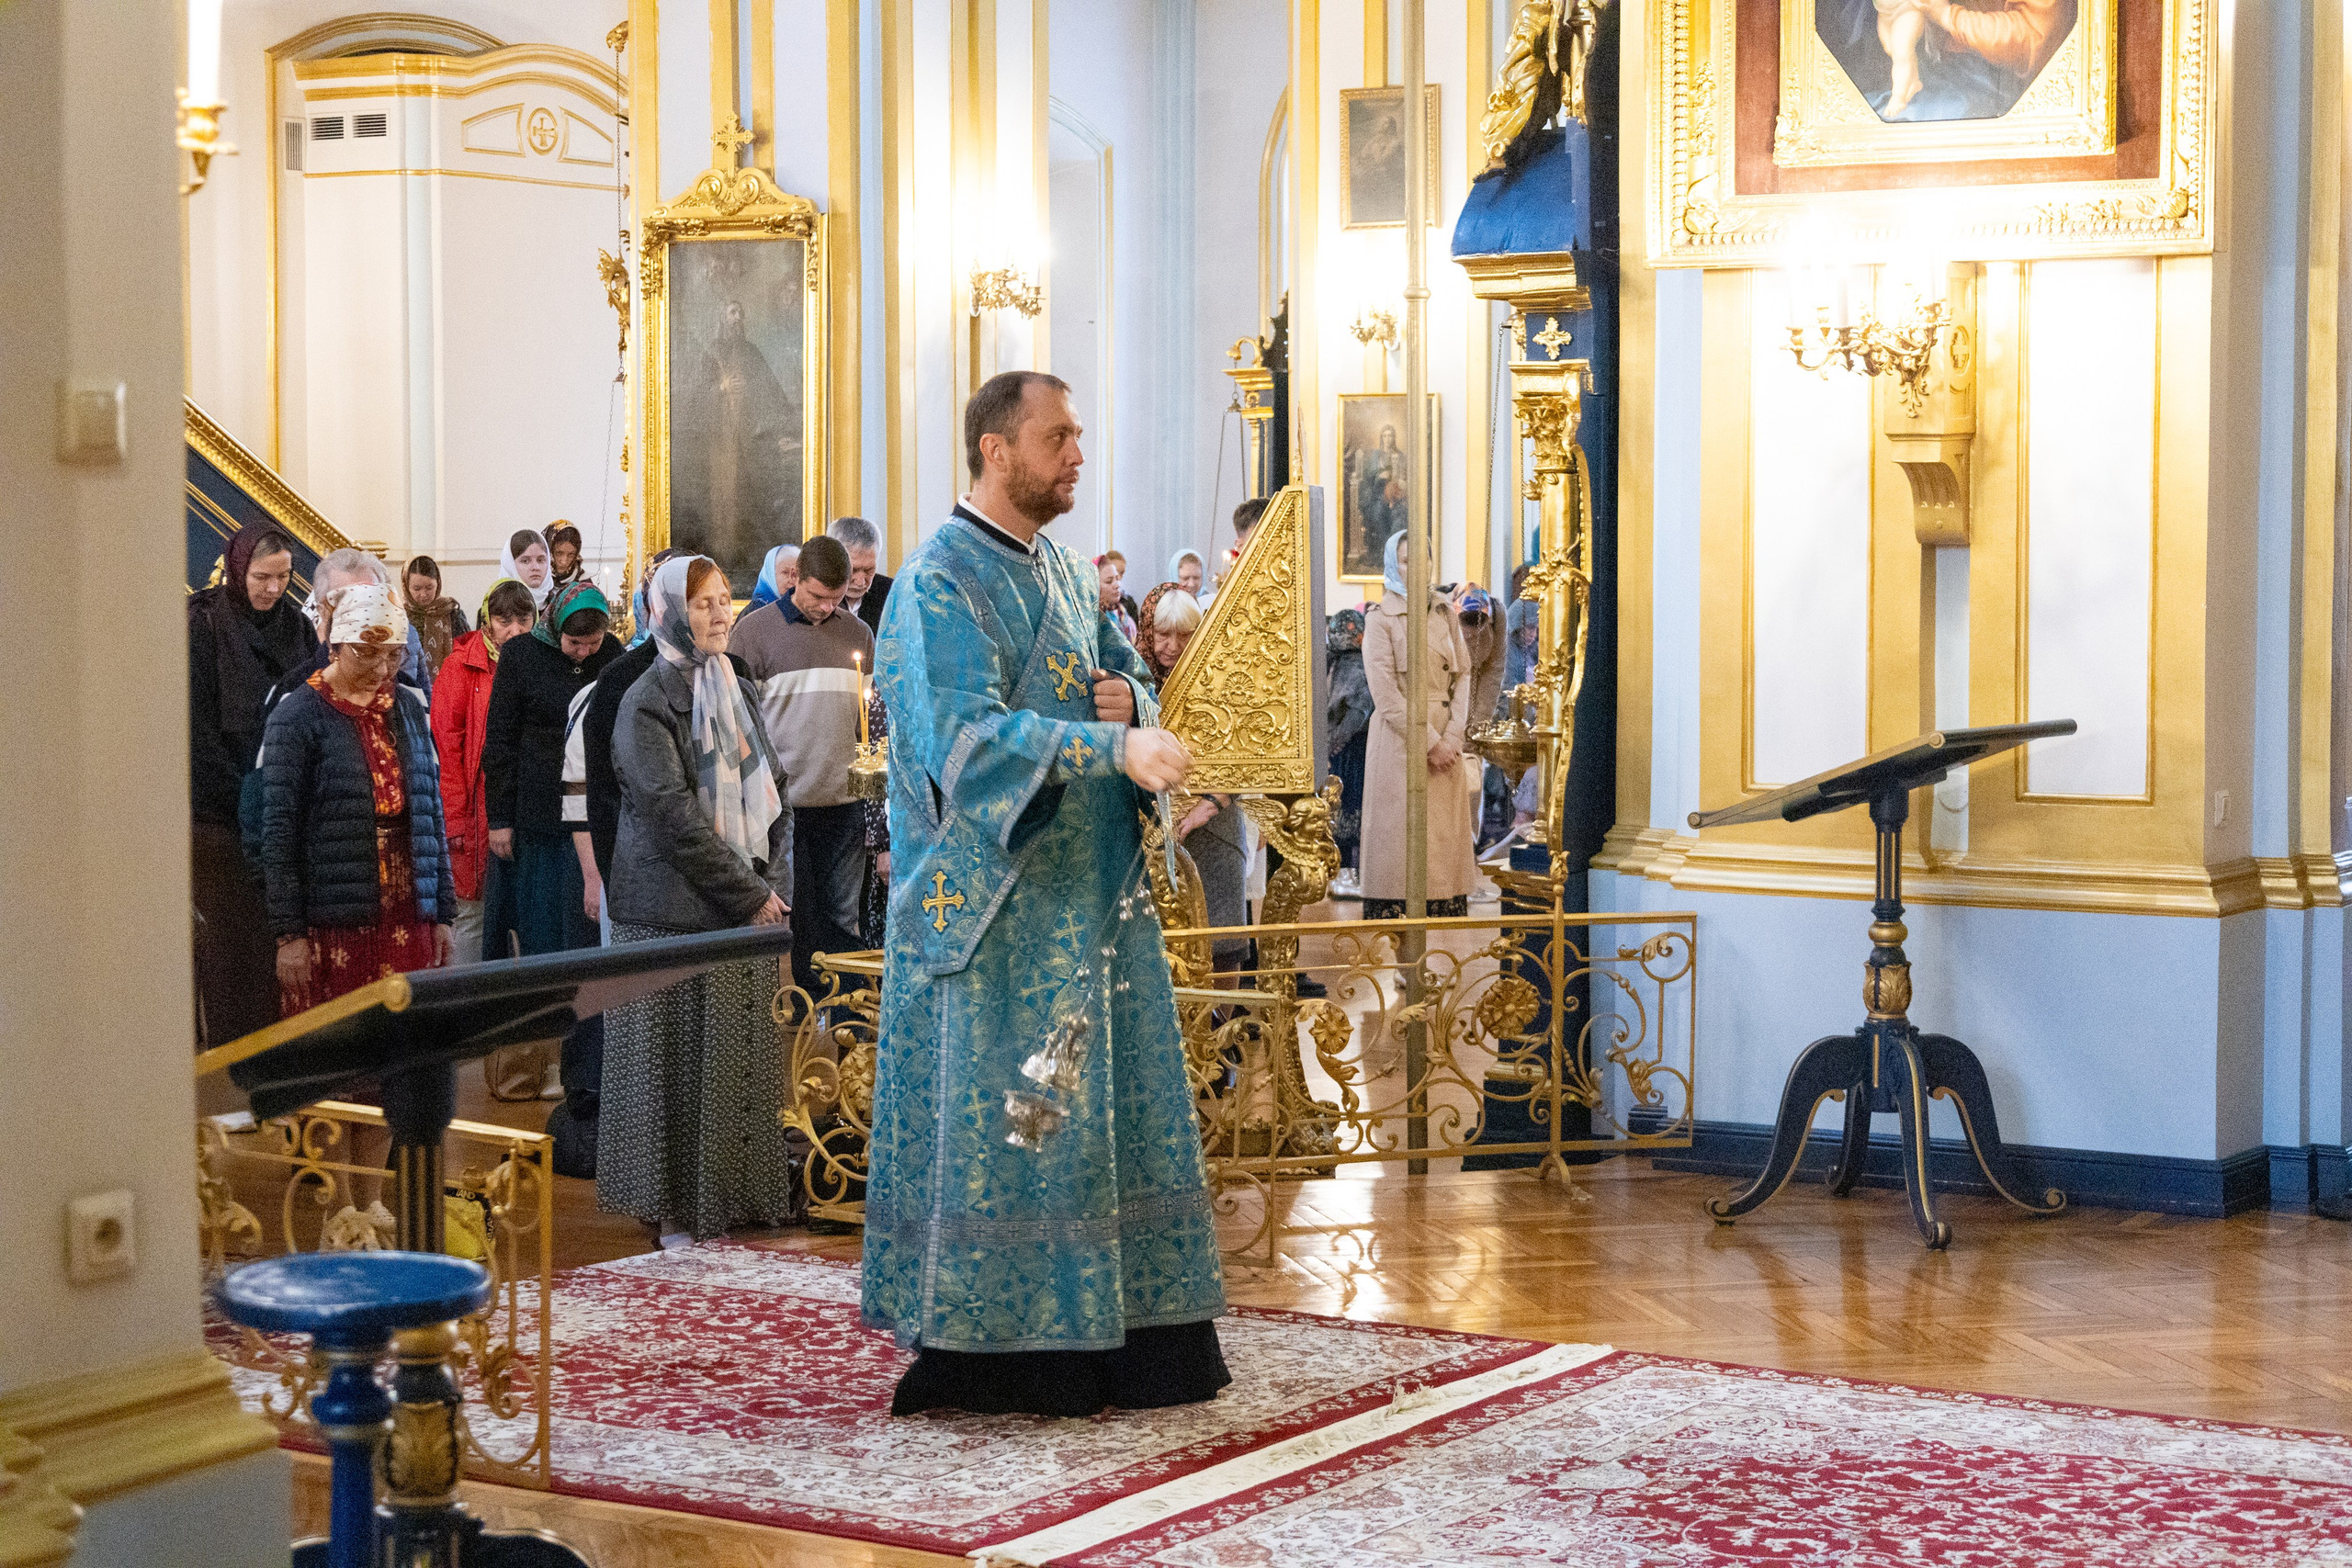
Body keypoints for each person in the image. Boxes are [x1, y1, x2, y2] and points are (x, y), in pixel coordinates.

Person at [865, 369, 1224, 1418]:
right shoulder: (937, 584)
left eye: (1076, 436)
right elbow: (962, 744)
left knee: (1101, 1120)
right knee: (1015, 1128)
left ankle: (1139, 1336)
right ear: (993, 449)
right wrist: (1111, 739)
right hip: (995, 917)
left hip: (1092, 907)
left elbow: (1127, 680)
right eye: (1055, 437)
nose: (1076, 455)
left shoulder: (1067, 573)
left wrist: (1132, 698)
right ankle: (998, 1350)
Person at [598, 555, 796, 1244]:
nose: (720, 613)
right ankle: (672, 1208)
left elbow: (774, 787)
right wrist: (750, 896)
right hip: (667, 915)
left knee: (731, 1064)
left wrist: (771, 887)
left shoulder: (730, 684)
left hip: (736, 908)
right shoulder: (645, 699)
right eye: (704, 603)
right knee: (672, 1075)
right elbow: (672, 816)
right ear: (669, 612)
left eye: (722, 600)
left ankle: (727, 1198)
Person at [481, 577, 621, 1099]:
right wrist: (499, 820)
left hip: (593, 818)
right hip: (537, 821)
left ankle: (584, 1068)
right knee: (544, 941)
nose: (584, 652)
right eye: (574, 643)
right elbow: (500, 742)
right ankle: (536, 1064)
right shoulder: (521, 655)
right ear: (555, 627)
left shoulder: (614, 655)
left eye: (592, 643)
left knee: (587, 942)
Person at [729, 533, 873, 1004]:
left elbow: (868, 718)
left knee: (842, 915)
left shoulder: (858, 634)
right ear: (795, 581)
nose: (825, 608)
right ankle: (803, 1013)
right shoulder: (753, 631)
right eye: (816, 596)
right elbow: (738, 724)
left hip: (844, 800)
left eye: (836, 599)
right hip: (781, 806)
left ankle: (847, 1017)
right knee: (797, 913)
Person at [189, 522, 318, 1046]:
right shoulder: (201, 625)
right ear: (238, 569)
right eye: (262, 577)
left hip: (284, 815)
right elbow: (195, 728)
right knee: (232, 954)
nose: (272, 589)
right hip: (221, 820)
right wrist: (247, 798)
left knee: (284, 953)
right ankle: (234, 1076)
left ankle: (284, 1070)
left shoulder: (298, 629)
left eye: (284, 577)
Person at [1360, 532, 1479, 921]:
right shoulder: (1380, 619)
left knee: (1442, 870)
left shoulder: (1445, 612)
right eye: (1407, 560)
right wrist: (1430, 742)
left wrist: (1453, 736)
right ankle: (1404, 966)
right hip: (1402, 746)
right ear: (1394, 565)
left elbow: (1463, 674)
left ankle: (1436, 968)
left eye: (1422, 559)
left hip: (1446, 746)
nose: (1416, 568)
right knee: (1401, 864)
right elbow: (1386, 695)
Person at [430, 578, 535, 965]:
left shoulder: (539, 661)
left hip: (521, 808)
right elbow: (447, 748)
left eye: (523, 620)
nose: (514, 630)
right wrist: (455, 821)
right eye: (504, 620)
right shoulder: (461, 666)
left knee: (524, 913)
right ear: (487, 621)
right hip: (473, 814)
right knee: (472, 915)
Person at [1148, 591, 1249, 976]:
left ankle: (1223, 1034)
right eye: (1163, 635)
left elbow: (1248, 749)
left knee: (1223, 946)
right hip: (1160, 837)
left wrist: (1211, 804)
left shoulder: (1226, 678)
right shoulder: (1136, 679)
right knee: (1168, 954)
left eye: (1185, 635)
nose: (1172, 647)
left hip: (1217, 831)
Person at [1325, 606, 1373, 897]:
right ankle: (1342, 871)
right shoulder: (1337, 663)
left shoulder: (1356, 666)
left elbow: (1360, 709)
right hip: (1344, 747)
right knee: (1341, 808)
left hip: (1353, 747)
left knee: (1350, 806)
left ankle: (1350, 872)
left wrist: (1337, 738)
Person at [402, 555, 469, 684]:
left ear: (438, 583)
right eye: (417, 589)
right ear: (406, 586)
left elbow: (467, 656)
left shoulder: (452, 614)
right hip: (410, 689)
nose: (423, 594)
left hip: (449, 688)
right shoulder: (400, 616)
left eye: (429, 588)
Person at [830, 514, 894, 634]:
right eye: (853, 570)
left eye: (869, 570)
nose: (861, 582)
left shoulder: (893, 594)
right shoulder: (816, 592)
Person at [502, 528, 553, 610]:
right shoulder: (496, 609)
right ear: (510, 565)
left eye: (540, 560)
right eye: (525, 561)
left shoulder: (559, 606)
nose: (536, 568)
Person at [745, 542, 800, 613]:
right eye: (785, 572)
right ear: (770, 575)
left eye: (797, 574)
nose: (792, 580)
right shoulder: (756, 610)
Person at [1095, 552, 1138, 642]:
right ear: (1093, 585)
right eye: (1109, 581)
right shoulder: (1090, 619)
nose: (1117, 585)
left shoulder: (1122, 615)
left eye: (1117, 579)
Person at [544, 522, 586, 591]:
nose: (564, 561)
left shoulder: (585, 584)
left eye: (571, 554)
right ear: (548, 551)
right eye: (559, 553)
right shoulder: (534, 578)